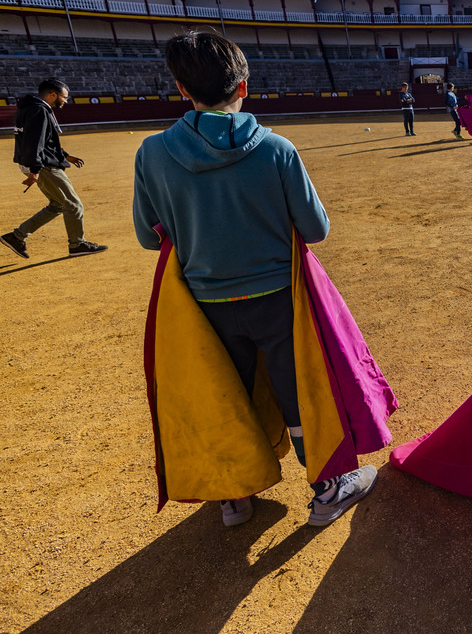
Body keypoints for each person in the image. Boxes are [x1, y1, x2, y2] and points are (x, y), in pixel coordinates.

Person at [132, 31, 378, 528]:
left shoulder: (152, 153)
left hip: (206, 304)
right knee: (299, 391)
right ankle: (327, 490)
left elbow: (146, 235)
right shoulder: (276, 149)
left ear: (182, 89)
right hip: (279, 298)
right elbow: (316, 229)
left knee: (226, 392)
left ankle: (233, 495)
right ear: (244, 86)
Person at [2, 78, 107, 259]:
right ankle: (77, 244)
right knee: (73, 205)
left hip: (37, 162)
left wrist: (65, 156)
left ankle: (16, 237)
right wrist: (35, 170)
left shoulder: (28, 108)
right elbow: (35, 142)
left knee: (58, 204)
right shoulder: (39, 111)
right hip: (44, 166)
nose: (65, 101)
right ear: (52, 95)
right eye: (64, 97)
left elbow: (45, 140)